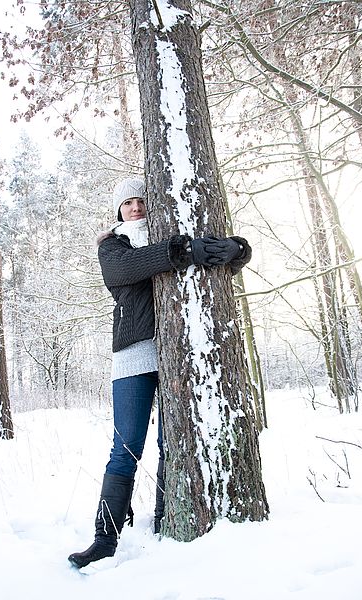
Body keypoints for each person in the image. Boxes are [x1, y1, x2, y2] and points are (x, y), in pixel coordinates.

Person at [68, 177, 252, 568]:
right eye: (128, 203)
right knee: (126, 449)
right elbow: (129, 268)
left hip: (175, 357)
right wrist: (182, 252)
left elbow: (208, 263)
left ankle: (169, 521)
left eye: (141, 201)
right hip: (133, 359)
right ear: (118, 210)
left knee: (174, 446)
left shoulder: (172, 233)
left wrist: (236, 250)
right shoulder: (113, 246)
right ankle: (104, 539)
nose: (135, 207)